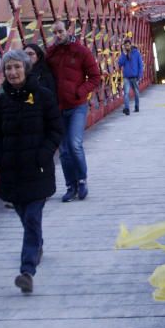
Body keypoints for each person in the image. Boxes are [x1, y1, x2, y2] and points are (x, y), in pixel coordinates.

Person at [0, 50, 63, 293]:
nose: (12, 72)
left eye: (17, 67)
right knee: (25, 217)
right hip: (11, 171)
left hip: (37, 169)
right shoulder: (2, 101)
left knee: (32, 217)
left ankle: (27, 271)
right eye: (8, 68)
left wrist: (43, 154)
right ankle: (37, 244)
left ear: (26, 68)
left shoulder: (43, 96)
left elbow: (55, 129)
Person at [46, 20, 101, 202]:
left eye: (60, 31)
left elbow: (95, 77)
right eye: (55, 33)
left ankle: (82, 180)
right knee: (63, 150)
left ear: (68, 30)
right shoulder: (51, 54)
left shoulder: (81, 51)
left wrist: (80, 92)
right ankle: (71, 186)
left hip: (77, 106)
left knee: (74, 144)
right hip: (58, 107)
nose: (58, 35)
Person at [117, 38, 143, 115]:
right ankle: (127, 109)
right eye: (125, 46)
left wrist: (140, 75)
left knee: (136, 93)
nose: (127, 47)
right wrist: (124, 55)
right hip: (126, 77)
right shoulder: (123, 54)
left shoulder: (136, 53)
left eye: (128, 45)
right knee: (126, 93)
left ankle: (136, 107)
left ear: (130, 45)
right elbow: (120, 63)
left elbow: (140, 65)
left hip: (135, 77)